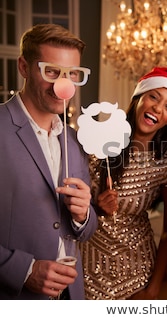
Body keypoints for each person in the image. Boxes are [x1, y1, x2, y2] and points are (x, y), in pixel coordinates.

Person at [81, 67, 167, 299]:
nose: (158, 108)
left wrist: (154, 287)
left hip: (137, 271)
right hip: (88, 264)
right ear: (138, 98)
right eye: (154, 96)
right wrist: (96, 209)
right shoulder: (99, 140)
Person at [0, 23, 98, 299]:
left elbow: (86, 229)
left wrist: (82, 216)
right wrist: (24, 270)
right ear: (24, 67)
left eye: (72, 74)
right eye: (52, 71)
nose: (63, 85)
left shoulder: (73, 140)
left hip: (69, 298)